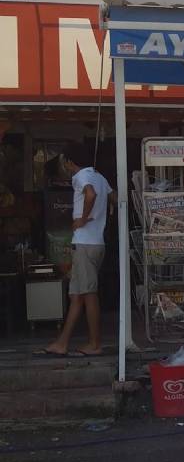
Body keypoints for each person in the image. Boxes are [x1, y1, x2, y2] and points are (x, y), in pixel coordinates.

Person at [37, 145, 113, 357]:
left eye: (65, 163)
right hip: (96, 243)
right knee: (77, 295)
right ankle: (62, 343)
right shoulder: (100, 176)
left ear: (70, 162)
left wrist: (83, 218)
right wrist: (100, 218)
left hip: (85, 243)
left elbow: (90, 194)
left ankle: (94, 343)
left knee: (88, 294)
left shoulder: (80, 176)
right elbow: (114, 198)